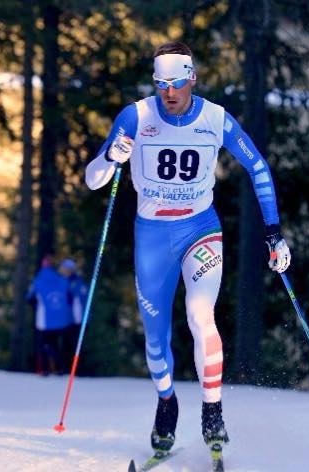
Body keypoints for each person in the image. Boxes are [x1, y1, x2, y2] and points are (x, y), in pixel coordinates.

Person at [85, 42, 291, 454]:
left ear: (192, 78)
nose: (169, 93)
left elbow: (258, 167)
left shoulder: (215, 118)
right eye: (162, 84)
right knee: (156, 337)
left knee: (200, 315)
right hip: (153, 236)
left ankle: (212, 412)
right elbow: (93, 179)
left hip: (200, 228)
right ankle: (166, 404)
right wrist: (111, 155)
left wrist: (273, 232)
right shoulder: (137, 116)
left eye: (177, 83)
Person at [27, 254, 74, 375]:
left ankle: (45, 369)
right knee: (55, 343)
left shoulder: (38, 280)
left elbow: (29, 298)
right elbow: (70, 298)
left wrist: (39, 305)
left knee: (44, 344)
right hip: (63, 320)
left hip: (44, 320)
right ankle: (59, 368)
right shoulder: (63, 280)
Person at [58, 258, 89, 353]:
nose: (62, 271)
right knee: (65, 347)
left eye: (64, 269)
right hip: (66, 320)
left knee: (74, 347)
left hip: (76, 321)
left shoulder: (76, 282)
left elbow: (79, 298)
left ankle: (75, 366)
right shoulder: (63, 281)